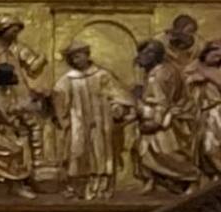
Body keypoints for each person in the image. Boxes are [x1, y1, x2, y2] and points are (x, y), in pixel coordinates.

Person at [51, 43, 133, 201]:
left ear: (87, 55)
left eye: (79, 55)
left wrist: (117, 107)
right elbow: (59, 97)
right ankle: (77, 188)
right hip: (78, 122)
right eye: (73, 57)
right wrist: (60, 113)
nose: (76, 60)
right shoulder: (68, 79)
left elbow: (118, 94)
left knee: (100, 152)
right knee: (77, 152)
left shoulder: (102, 75)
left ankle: (101, 187)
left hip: (100, 121)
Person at [133, 38, 200, 194]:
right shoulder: (151, 72)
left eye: (148, 52)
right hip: (151, 114)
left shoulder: (163, 73)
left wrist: (155, 122)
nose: (143, 56)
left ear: (157, 55)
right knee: (143, 150)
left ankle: (191, 177)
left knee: (167, 151)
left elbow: (164, 102)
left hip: (166, 118)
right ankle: (152, 179)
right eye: (142, 52)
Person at [0, 63, 39, 197]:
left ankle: (10, 183)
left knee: (17, 144)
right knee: (17, 149)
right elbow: (6, 117)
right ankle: (14, 183)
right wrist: (22, 110)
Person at [186, 39, 221, 178]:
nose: (217, 59)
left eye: (220, 57)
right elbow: (181, 85)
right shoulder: (193, 67)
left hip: (216, 111)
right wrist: (192, 80)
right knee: (199, 147)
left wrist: (208, 76)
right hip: (199, 112)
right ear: (206, 53)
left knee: (211, 147)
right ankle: (213, 175)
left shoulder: (217, 70)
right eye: (215, 55)